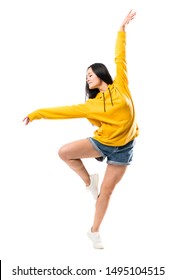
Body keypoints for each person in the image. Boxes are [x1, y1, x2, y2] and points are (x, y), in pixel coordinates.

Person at [23, 10, 139, 249]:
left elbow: (120, 57)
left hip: (124, 149)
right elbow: (64, 111)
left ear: (100, 74)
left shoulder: (121, 87)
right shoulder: (91, 106)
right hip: (104, 142)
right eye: (85, 77)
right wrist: (37, 114)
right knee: (64, 152)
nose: (87, 79)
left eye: (90, 74)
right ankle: (89, 182)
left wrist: (121, 30)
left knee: (106, 194)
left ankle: (95, 232)